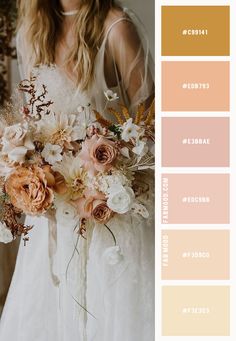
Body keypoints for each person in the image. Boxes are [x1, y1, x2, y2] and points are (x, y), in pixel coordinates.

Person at [0, 0, 154, 340]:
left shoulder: (116, 27)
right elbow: (33, 121)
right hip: (53, 208)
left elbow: (151, 126)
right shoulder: (32, 32)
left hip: (108, 211)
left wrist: (110, 171)